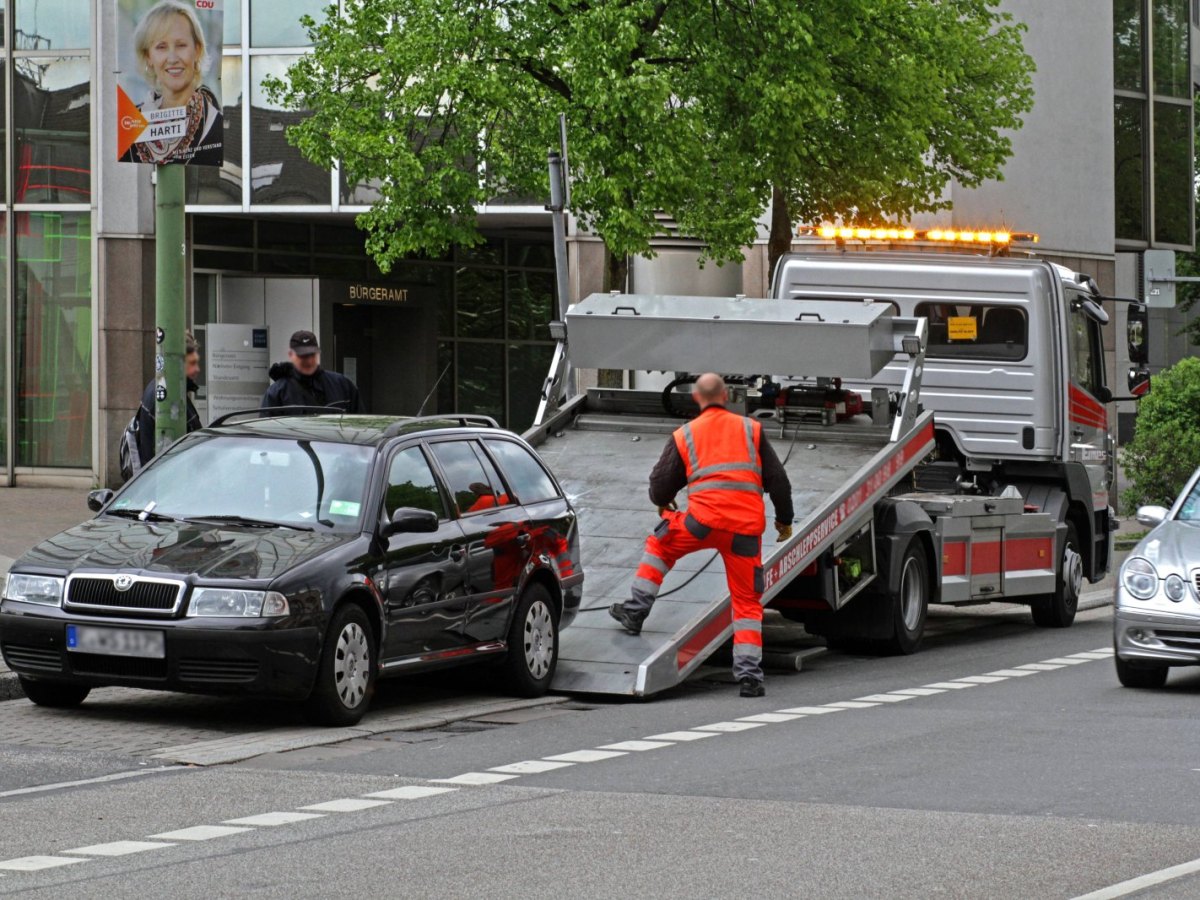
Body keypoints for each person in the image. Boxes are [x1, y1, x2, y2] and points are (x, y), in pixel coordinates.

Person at [609, 373, 794, 698]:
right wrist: (784, 520)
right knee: (747, 603)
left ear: (697, 398)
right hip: (745, 532)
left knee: (661, 543)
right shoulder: (751, 430)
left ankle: (636, 610)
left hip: (701, 524)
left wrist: (663, 501)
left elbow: (660, 485)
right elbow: (778, 480)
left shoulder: (686, 434)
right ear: (725, 396)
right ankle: (750, 676)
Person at [120, 0, 222, 165]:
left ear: (197, 50)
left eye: (181, 45)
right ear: (148, 57)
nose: (173, 58)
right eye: (161, 47)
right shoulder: (132, 125)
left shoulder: (215, 126)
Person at [135, 331, 202, 466]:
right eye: (192, 363)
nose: (197, 369)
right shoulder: (170, 396)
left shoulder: (161, 388)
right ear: (178, 363)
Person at [261, 330, 363, 413]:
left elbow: (361, 425)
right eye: (303, 356)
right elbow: (266, 434)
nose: (309, 361)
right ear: (291, 355)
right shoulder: (277, 392)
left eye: (312, 354)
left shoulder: (342, 385)